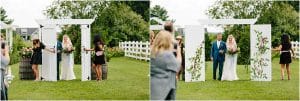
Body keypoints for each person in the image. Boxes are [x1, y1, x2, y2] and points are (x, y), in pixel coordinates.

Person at [150, 30, 181, 100]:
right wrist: (179, 52)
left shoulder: (152, 53)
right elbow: (177, 67)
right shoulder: (167, 55)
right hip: (164, 92)